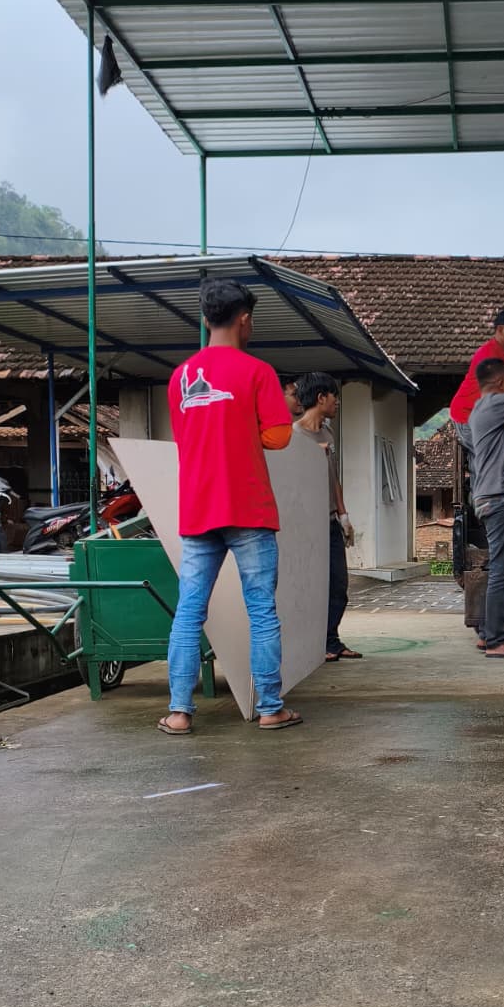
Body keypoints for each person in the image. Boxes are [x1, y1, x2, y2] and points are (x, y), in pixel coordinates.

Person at [158, 278, 303, 735]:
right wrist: (245, 432)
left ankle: (179, 713)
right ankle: (271, 708)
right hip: (248, 507)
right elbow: (279, 436)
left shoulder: (180, 377)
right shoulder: (258, 372)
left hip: (198, 508)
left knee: (189, 612)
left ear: (205, 319)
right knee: (261, 611)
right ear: (245, 320)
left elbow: (185, 438)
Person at [293, 371, 361, 663]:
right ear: (321, 398)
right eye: (335, 396)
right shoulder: (294, 435)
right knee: (310, 587)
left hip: (330, 521)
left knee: (338, 585)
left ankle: (331, 640)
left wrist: (343, 515)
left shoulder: (328, 434)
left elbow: (333, 478)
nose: (338, 402)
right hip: (306, 525)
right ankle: (313, 644)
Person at [467, 356, 504, 657]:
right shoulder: (496, 404)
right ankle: (496, 642)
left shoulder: (481, 408)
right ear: (500, 381)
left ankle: (487, 633)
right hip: (499, 498)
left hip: (490, 497)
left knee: (500, 567)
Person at [449, 308, 504, 453]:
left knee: (498, 455)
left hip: (489, 416)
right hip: (467, 416)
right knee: (494, 455)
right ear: (500, 329)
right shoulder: (487, 354)